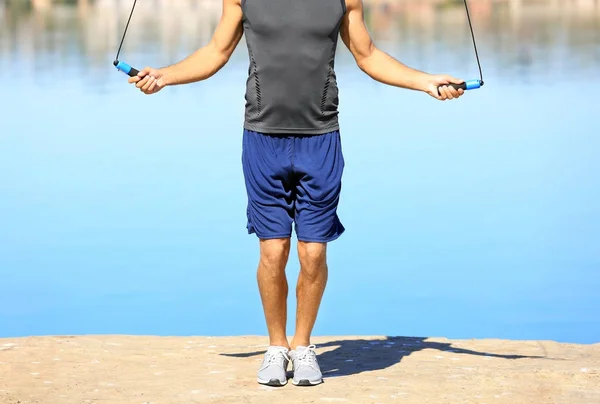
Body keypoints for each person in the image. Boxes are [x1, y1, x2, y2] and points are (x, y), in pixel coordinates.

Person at [128, 0, 465, 387]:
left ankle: (303, 346)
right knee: (273, 250)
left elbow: (368, 56)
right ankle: (276, 347)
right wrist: (165, 76)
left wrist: (425, 82)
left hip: (320, 140)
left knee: (313, 251)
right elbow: (215, 52)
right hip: (261, 138)